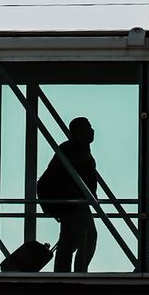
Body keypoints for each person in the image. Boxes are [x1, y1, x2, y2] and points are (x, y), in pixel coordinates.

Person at [39, 116, 98, 273]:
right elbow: (58, 177)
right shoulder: (71, 150)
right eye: (88, 127)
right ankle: (76, 272)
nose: (92, 131)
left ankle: (65, 272)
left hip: (74, 203)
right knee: (85, 237)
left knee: (71, 240)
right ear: (78, 132)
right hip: (73, 203)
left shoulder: (75, 150)